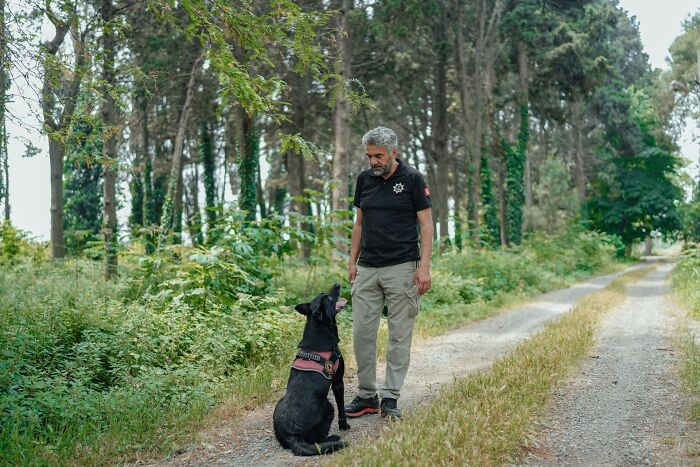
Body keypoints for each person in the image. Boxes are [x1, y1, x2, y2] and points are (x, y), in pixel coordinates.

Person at [344, 126, 433, 420]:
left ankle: (390, 397)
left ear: (393, 152)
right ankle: (367, 395)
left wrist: (424, 267)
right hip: (367, 269)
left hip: (402, 268)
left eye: (379, 155)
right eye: (369, 156)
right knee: (362, 334)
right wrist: (351, 261)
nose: (373, 161)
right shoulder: (364, 180)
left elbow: (426, 225)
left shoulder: (412, 179)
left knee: (399, 336)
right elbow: (359, 223)